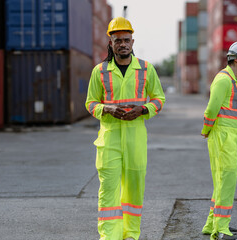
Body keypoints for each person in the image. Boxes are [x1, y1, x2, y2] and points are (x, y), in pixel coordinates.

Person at [85, 16, 165, 240]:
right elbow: (90, 103)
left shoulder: (146, 69)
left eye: (126, 40)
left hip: (135, 138)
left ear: (132, 41)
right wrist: (107, 109)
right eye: (118, 40)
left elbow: (159, 99)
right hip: (109, 139)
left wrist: (144, 109)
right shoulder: (99, 72)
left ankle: (131, 234)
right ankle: (110, 236)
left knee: (134, 189)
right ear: (110, 43)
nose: (123, 44)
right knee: (108, 190)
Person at [200, 41, 237, 240]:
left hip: (228, 138)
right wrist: (206, 129)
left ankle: (211, 224)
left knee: (221, 182)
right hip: (223, 138)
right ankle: (220, 228)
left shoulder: (232, 80)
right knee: (226, 181)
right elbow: (211, 109)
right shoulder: (224, 79)